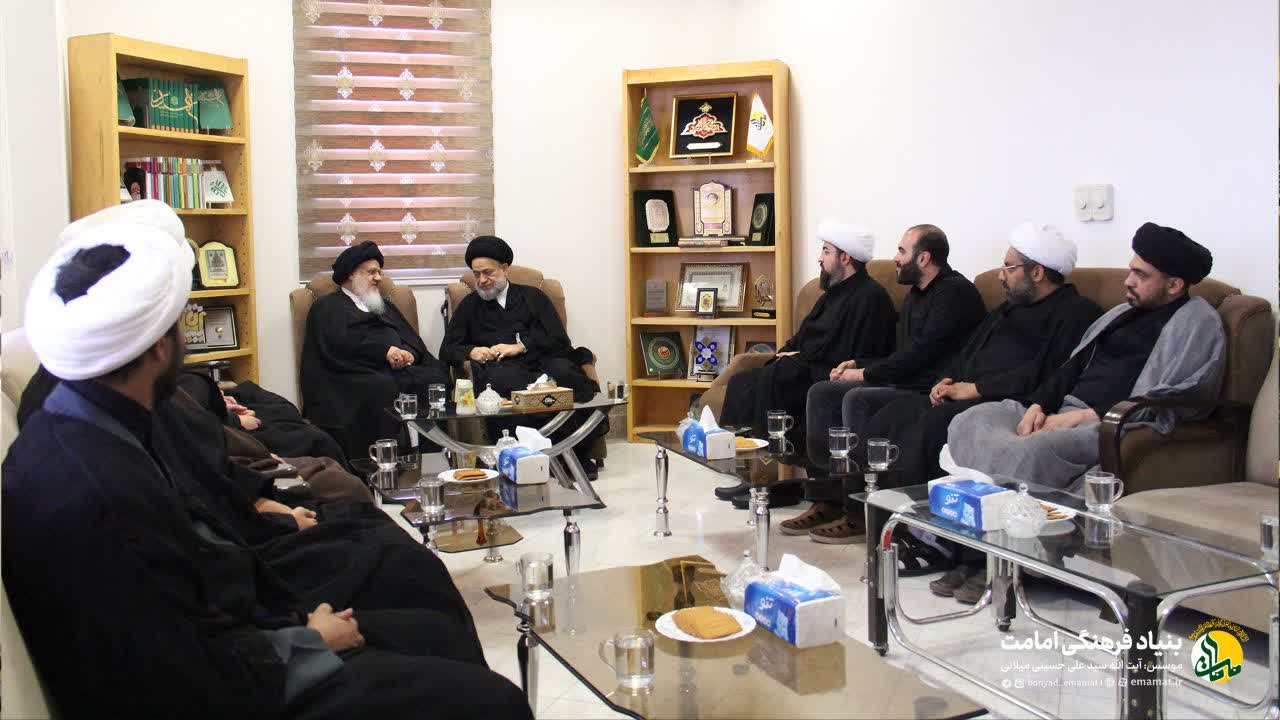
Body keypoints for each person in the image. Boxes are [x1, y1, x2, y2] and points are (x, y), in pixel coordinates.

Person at [3, 205, 530, 718]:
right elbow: (177, 670)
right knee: (491, 699)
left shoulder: (88, 422)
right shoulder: (98, 496)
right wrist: (309, 639)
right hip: (240, 679)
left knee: (414, 596)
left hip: (235, 622)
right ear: (159, 348)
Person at [939, 223, 1224, 602]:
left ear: (1174, 284)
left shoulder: (1197, 322)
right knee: (970, 420)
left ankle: (1007, 562)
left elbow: (1177, 392)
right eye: (1131, 270)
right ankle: (979, 549)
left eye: (1141, 275)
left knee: (1029, 452)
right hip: (1061, 412)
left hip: (1112, 424)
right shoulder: (1121, 313)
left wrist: (1083, 417)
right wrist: (1039, 406)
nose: (1128, 281)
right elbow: (1070, 368)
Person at [793, 224, 986, 541]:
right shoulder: (915, 295)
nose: (895, 258)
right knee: (824, 392)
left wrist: (864, 375)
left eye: (901, 251)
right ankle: (830, 497)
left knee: (857, 398)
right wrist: (860, 363)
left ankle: (861, 513)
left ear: (923, 259)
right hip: (908, 379)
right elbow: (901, 353)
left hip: (931, 388)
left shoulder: (954, 293)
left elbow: (920, 355)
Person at [715, 220, 897, 508]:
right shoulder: (831, 295)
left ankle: (771, 485)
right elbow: (803, 336)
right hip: (807, 365)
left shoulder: (870, 297)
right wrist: (785, 353)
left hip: (835, 372)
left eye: (826, 251)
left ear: (845, 258)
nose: (819, 258)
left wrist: (798, 357)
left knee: (778, 377)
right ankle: (753, 476)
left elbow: (855, 352)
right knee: (743, 381)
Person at [439, 235, 604, 474]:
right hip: (504, 369)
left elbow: (559, 339)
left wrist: (521, 346)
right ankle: (526, 457)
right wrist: (472, 351)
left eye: (488, 272)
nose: (482, 280)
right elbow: (447, 349)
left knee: (566, 372)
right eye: (477, 274)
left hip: (543, 361)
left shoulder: (533, 297)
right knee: (505, 382)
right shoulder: (470, 305)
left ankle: (574, 454)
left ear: (505, 269)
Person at [300, 240, 451, 461]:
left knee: (436, 376)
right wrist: (384, 352)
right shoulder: (328, 306)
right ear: (351, 274)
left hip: (397, 370)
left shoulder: (384, 306)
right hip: (350, 376)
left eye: (379, 272)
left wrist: (409, 353)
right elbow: (339, 344)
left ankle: (430, 457)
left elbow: (413, 340)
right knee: (381, 386)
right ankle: (386, 460)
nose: (378, 278)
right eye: (372, 272)